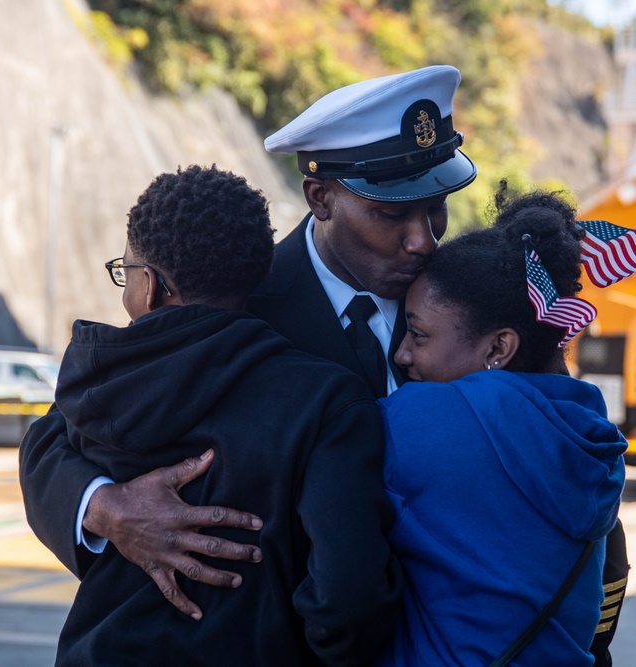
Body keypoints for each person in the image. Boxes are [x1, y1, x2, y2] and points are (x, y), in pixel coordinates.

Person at [19, 65, 629, 663]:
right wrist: (105, 509)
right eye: (392, 214)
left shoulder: (478, 300)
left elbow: (566, 458)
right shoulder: (238, 294)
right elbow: (59, 434)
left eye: (435, 208)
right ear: (321, 199)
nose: (423, 240)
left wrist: (587, 636)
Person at [53, 164, 401, 666]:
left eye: (124, 271)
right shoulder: (326, 400)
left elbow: (45, 445)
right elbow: (349, 596)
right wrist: (103, 505)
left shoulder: (98, 379)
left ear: (148, 286)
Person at [376, 188, 627, 666]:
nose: (402, 353)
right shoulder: (589, 431)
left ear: (498, 348)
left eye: (419, 333)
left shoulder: (419, 423)